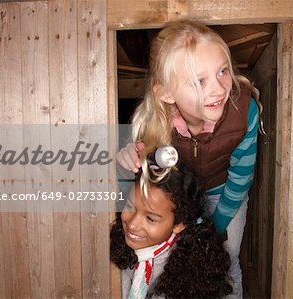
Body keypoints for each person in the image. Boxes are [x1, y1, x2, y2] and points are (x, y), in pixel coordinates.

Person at [116, 20, 261, 297]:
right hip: (179, 199)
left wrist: (213, 230)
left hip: (225, 192)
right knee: (176, 262)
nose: (219, 89)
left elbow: (241, 177)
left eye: (222, 71)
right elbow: (141, 175)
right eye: (199, 81)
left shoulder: (244, 110)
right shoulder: (156, 123)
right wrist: (127, 160)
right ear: (167, 94)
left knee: (225, 260)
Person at [110, 164, 232, 298]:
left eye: (150, 219)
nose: (132, 224)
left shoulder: (189, 270)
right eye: (129, 207)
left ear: (179, 224)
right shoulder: (117, 241)